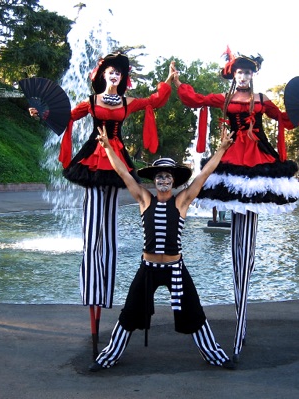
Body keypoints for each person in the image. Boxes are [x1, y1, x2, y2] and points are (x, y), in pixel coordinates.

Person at [172, 48, 299, 362]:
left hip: (257, 159)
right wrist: (177, 83)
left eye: (248, 72)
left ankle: (241, 323)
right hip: (229, 157)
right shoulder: (222, 100)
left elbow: (285, 121)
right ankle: (240, 323)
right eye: (240, 72)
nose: (244, 76)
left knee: (246, 247)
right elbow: (194, 99)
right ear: (233, 74)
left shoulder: (263, 100)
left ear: (253, 75)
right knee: (238, 241)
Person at [30, 53, 175, 357]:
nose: (114, 76)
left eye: (118, 73)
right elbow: (67, 116)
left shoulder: (125, 102)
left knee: (109, 232)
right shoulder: (92, 101)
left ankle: (104, 293)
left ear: (122, 78)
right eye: (110, 72)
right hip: (95, 157)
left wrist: (169, 80)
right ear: (103, 75)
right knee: (92, 226)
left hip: (116, 158)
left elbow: (153, 101)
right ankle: (92, 295)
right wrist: (41, 113)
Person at [88, 124, 235, 371]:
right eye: (159, 176)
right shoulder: (145, 199)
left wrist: (220, 149)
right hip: (148, 268)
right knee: (129, 314)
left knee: (194, 313)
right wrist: (108, 147)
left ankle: (215, 355)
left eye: (168, 176)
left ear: (174, 180)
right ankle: (108, 357)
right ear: (154, 181)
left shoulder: (182, 200)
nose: (163, 180)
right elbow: (123, 173)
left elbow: (204, 175)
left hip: (175, 268)